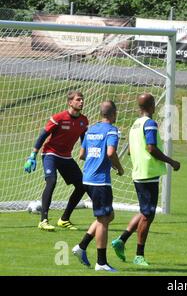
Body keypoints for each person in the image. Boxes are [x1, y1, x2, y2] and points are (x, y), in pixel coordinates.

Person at [111, 93, 180, 266]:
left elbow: (129, 151)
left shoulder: (135, 124)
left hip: (139, 172)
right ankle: (139, 255)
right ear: (152, 106)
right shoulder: (150, 124)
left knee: (144, 211)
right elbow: (151, 148)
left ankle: (121, 240)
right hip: (148, 173)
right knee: (148, 215)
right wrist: (171, 162)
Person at [24, 90, 88, 231]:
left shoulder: (84, 121)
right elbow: (43, 135)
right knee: (51, 181)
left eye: (82, 99)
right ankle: (43, 220)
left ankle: (64, 219)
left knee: (82, 186)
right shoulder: (58, 118)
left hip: (66, 157)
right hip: (50, 154)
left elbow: (84, 142)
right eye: (78, 99)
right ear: (70, 102)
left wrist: (87, 156)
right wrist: (32, 155)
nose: (81, 101)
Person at [72, 100, 124, 272]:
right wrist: (119, 166)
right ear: (113, 114)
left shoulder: (91, 129)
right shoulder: (112, 130)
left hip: (87, 178)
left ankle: (82, 246)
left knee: (108, 216)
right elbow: (110, 152)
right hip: (100, 181)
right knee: (103, 220)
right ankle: (101, 262)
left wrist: (96, 160)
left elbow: (81, 155)